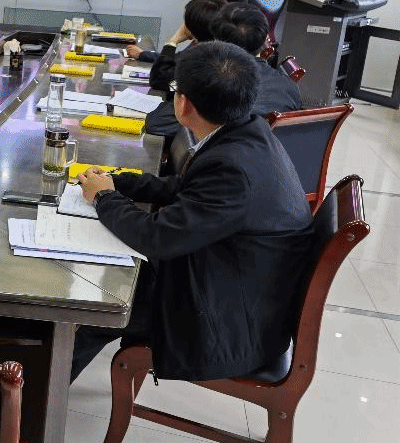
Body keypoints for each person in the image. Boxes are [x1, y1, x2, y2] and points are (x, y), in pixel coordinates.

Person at [71, 41, 313, 383]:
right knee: (116, 276)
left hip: (226, 322)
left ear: (183, 103)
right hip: (235, 285)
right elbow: (187, 189)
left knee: (101, 303)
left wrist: (104, 198)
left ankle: (30, 401)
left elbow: (156, 237)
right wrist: (120, 183)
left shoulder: (233, 170)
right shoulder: (246, 130)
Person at [144, 1, 302, 138]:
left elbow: (158, 124)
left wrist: (179, 92)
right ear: (264, 40)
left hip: (213, 160)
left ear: (216, 39)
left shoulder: (213, 80)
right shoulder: (289, 87)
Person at [124, 0, 224, 80]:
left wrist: (173, 41)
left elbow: (159, 78)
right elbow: (176, 59)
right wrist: (142, 54)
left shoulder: (204, 57)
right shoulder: (208, 46)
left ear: (192, 26)